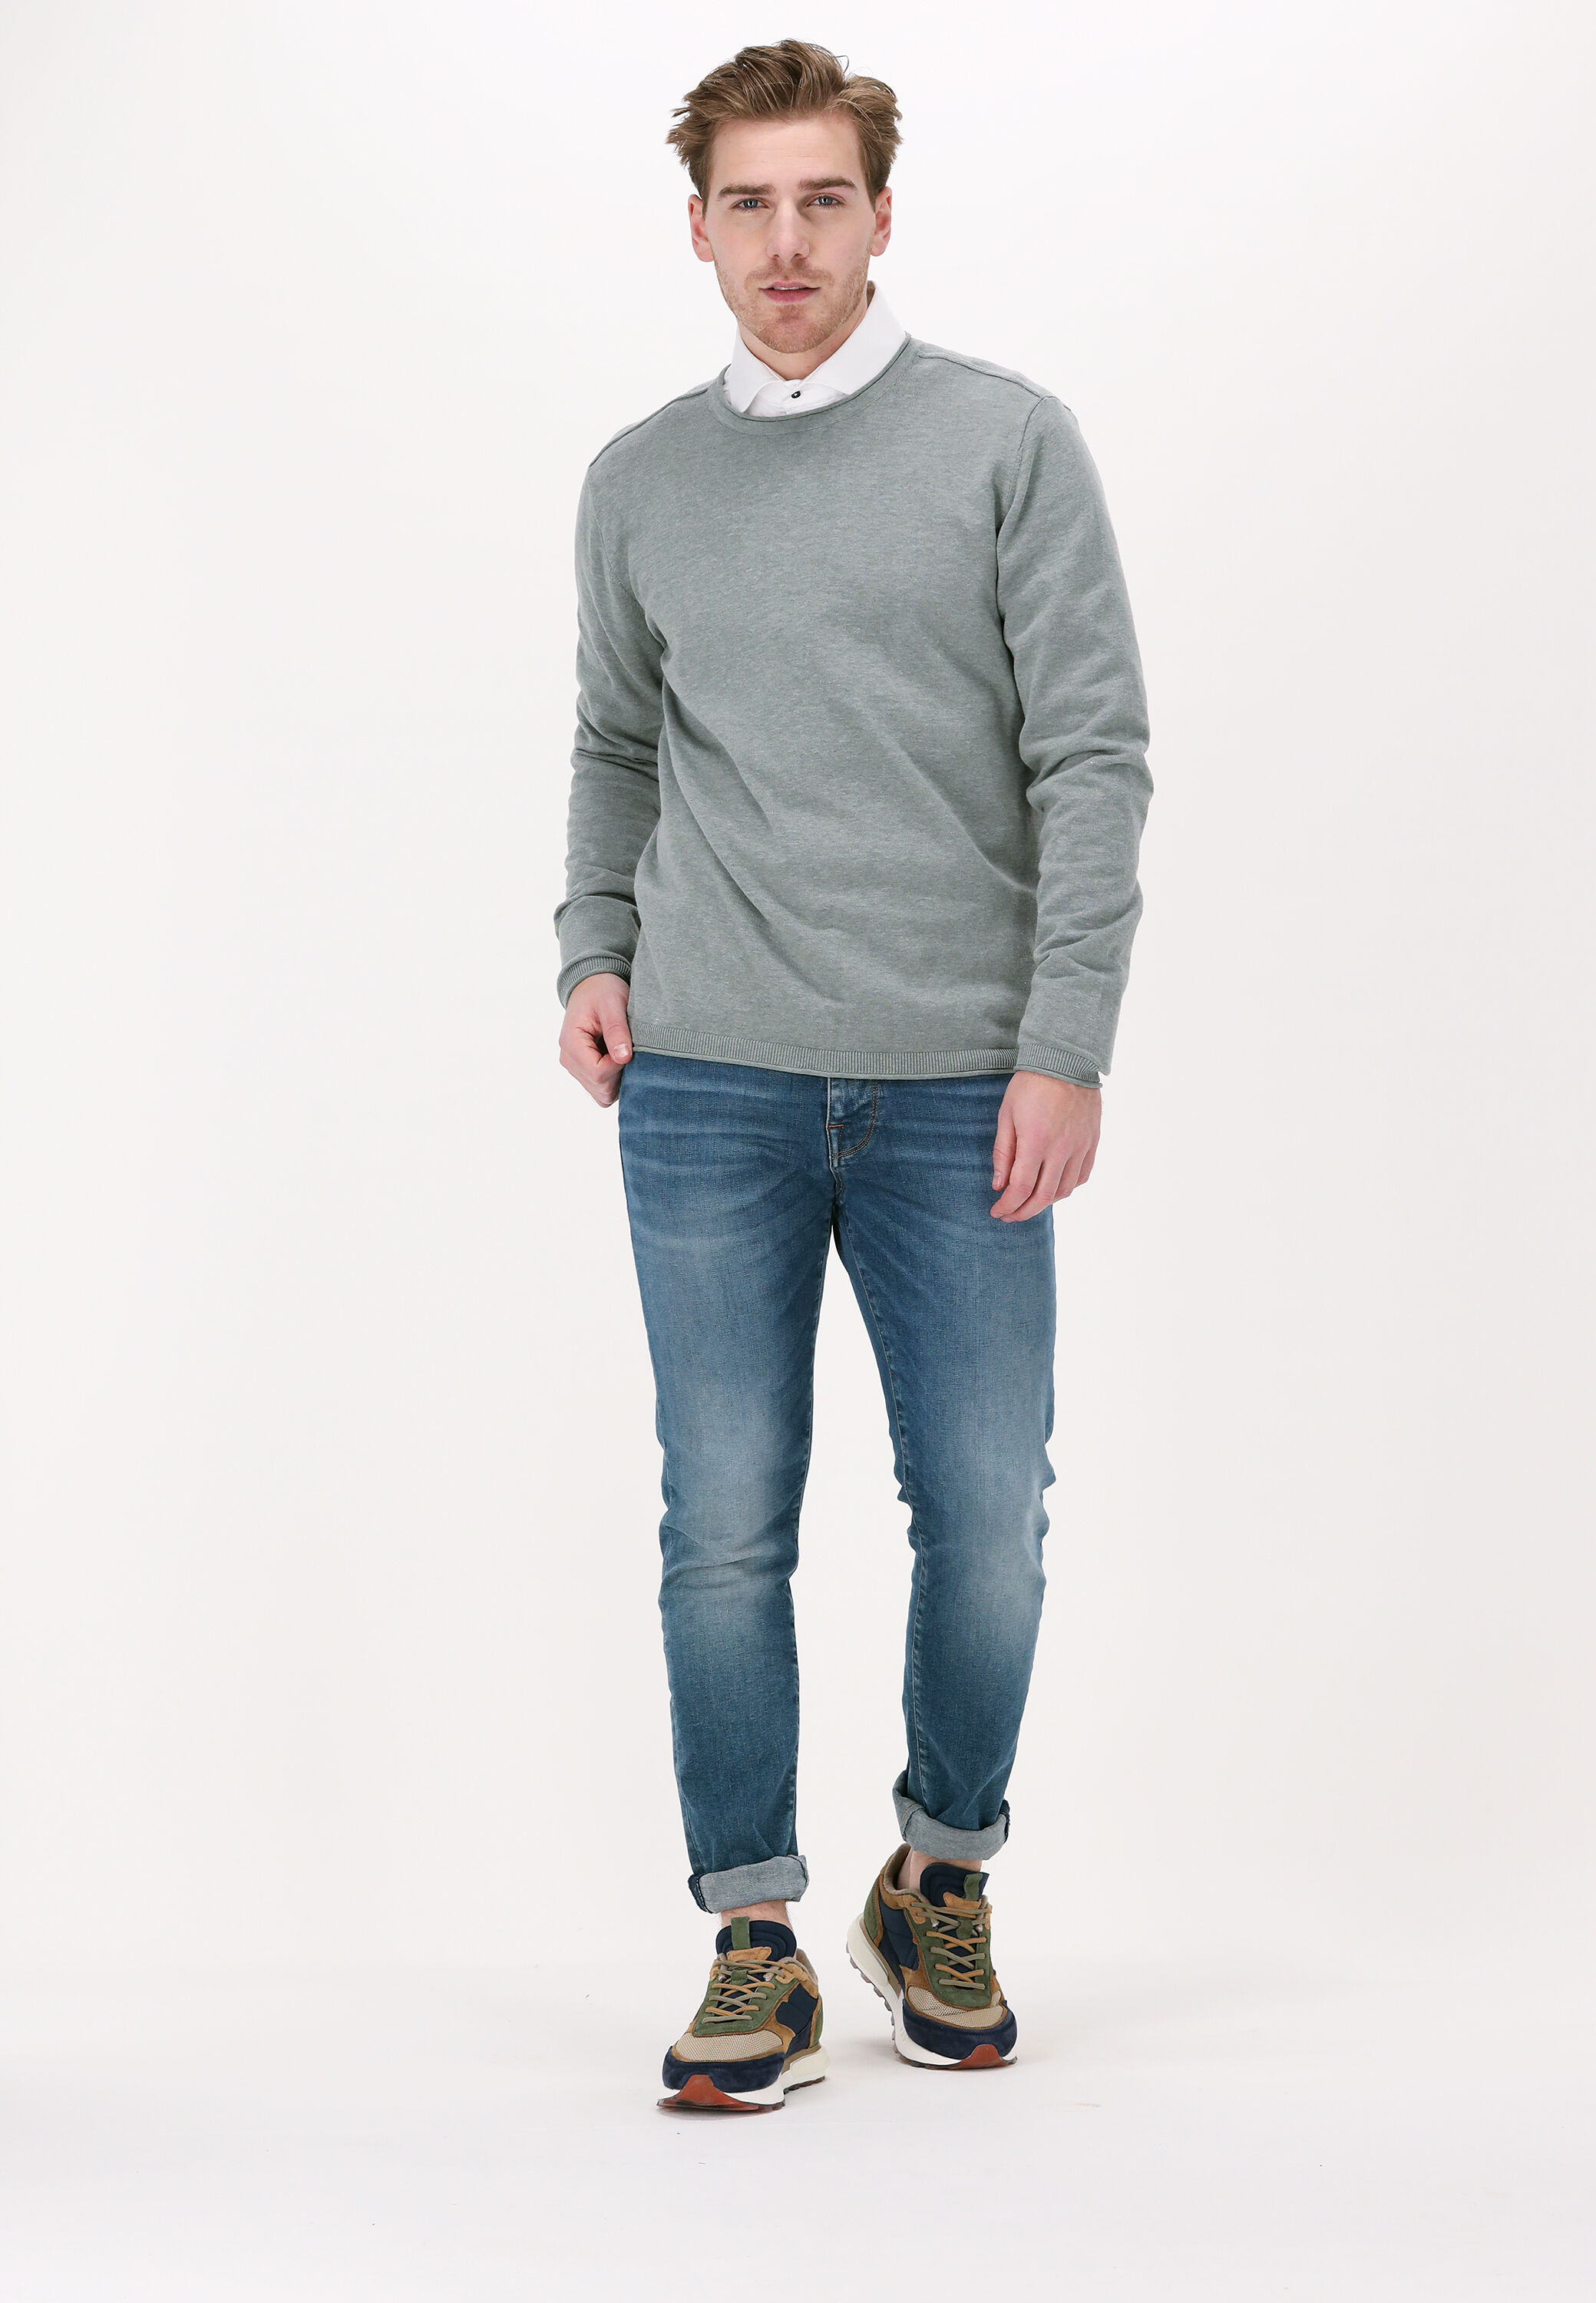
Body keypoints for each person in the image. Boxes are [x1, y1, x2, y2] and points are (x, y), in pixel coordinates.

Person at [553, 38, 1152, 2113]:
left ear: (881, 216)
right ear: (698, 226)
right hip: (707, 1079)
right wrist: (593, 948)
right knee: (722, 1524)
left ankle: (938, 1875)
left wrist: (1063, 1044)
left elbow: (1093, 753)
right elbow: (615, 741)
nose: (787, 241)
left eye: (823, 200)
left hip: (954, 1086)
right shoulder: (639, 480)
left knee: (986, 1520)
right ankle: (752, 1933)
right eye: (751, 203)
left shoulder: (1004, 443)